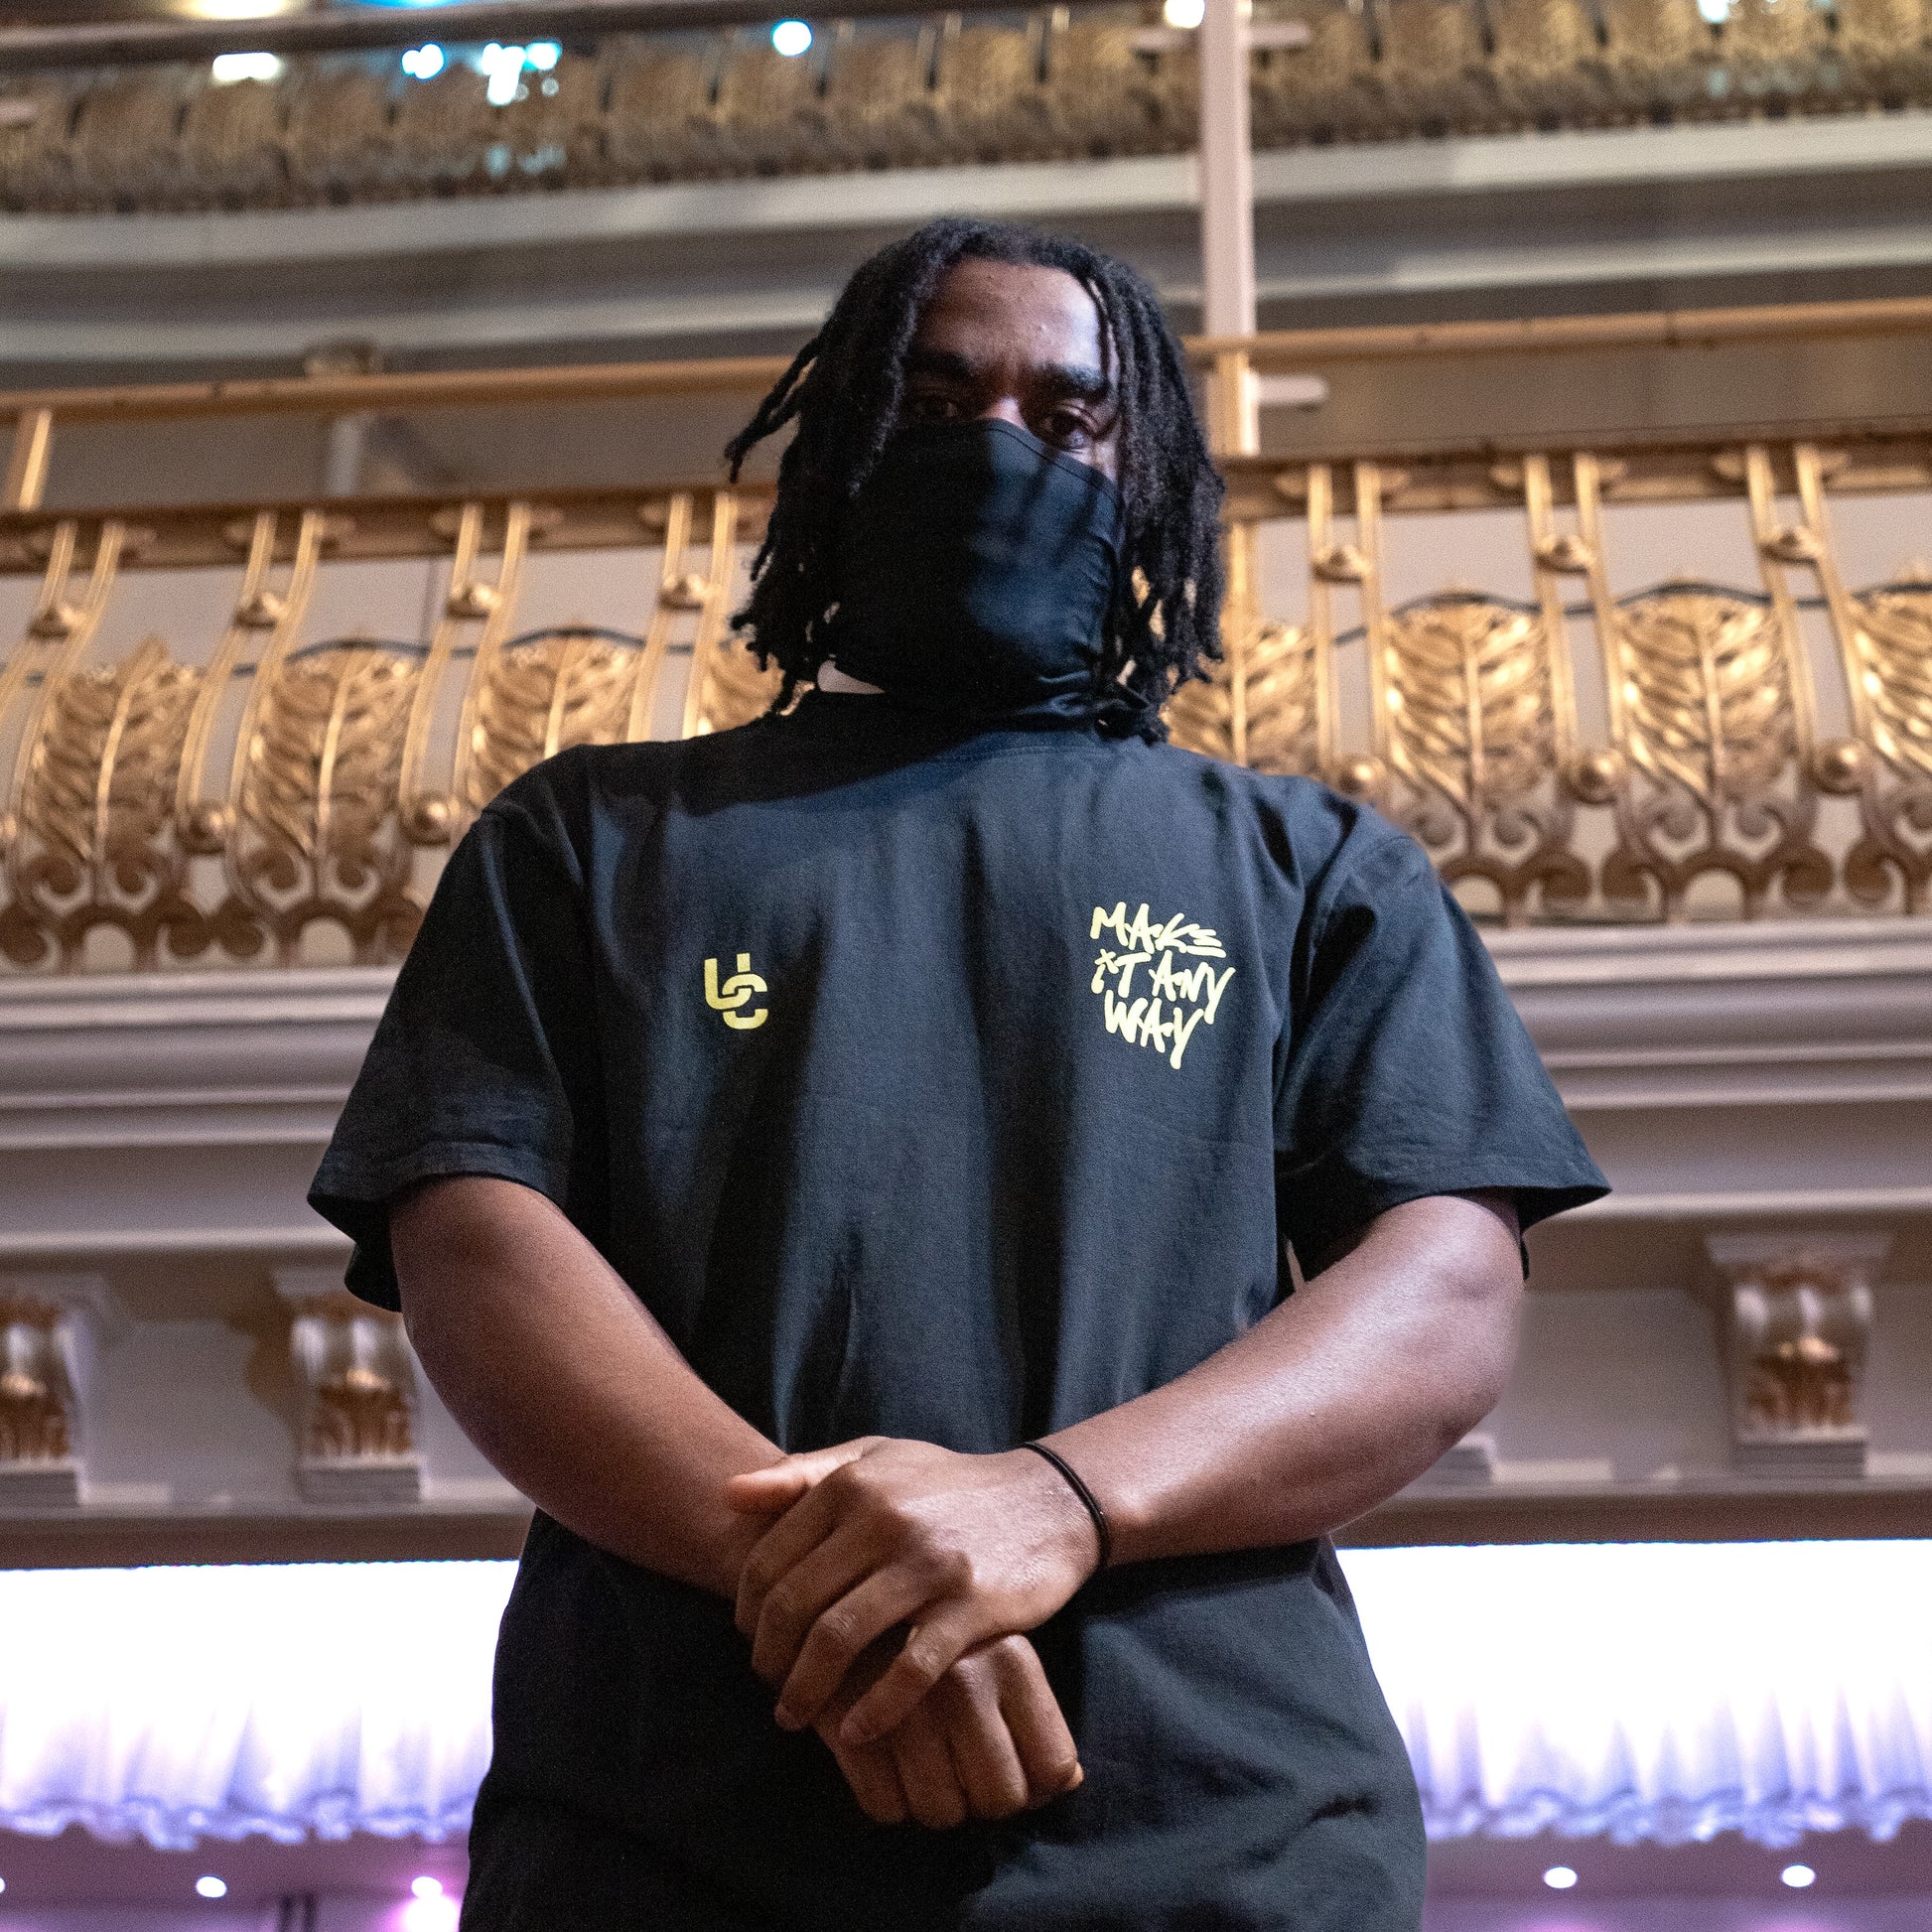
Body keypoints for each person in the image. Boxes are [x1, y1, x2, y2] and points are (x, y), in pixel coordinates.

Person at [310, 217, 1607, 1931]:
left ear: (1140, 478)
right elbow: (471, 1244)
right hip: (672, 1825)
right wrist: (845, 1591)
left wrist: (1050, 1505)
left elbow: (1443, 1290)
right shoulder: (588, 836)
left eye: (1063, 419)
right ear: (838, 454)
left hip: (1216, 1834)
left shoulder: (1312, 864)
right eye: (932, 408)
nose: (997, 449)